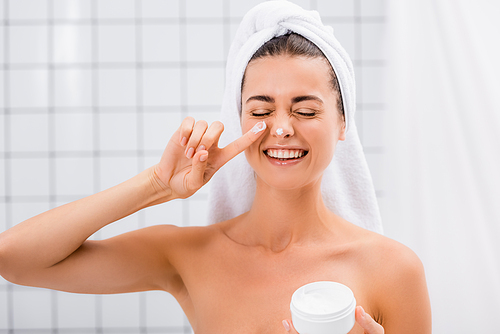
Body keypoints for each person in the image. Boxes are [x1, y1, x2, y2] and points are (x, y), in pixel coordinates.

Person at [0, 2, 431, 333]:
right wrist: (156, 186)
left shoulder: (391, 269)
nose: (280, 129)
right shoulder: (191, 256)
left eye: (305, 110)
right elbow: (15, 259)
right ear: (240, 117)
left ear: (342, 123)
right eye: (261, 110)